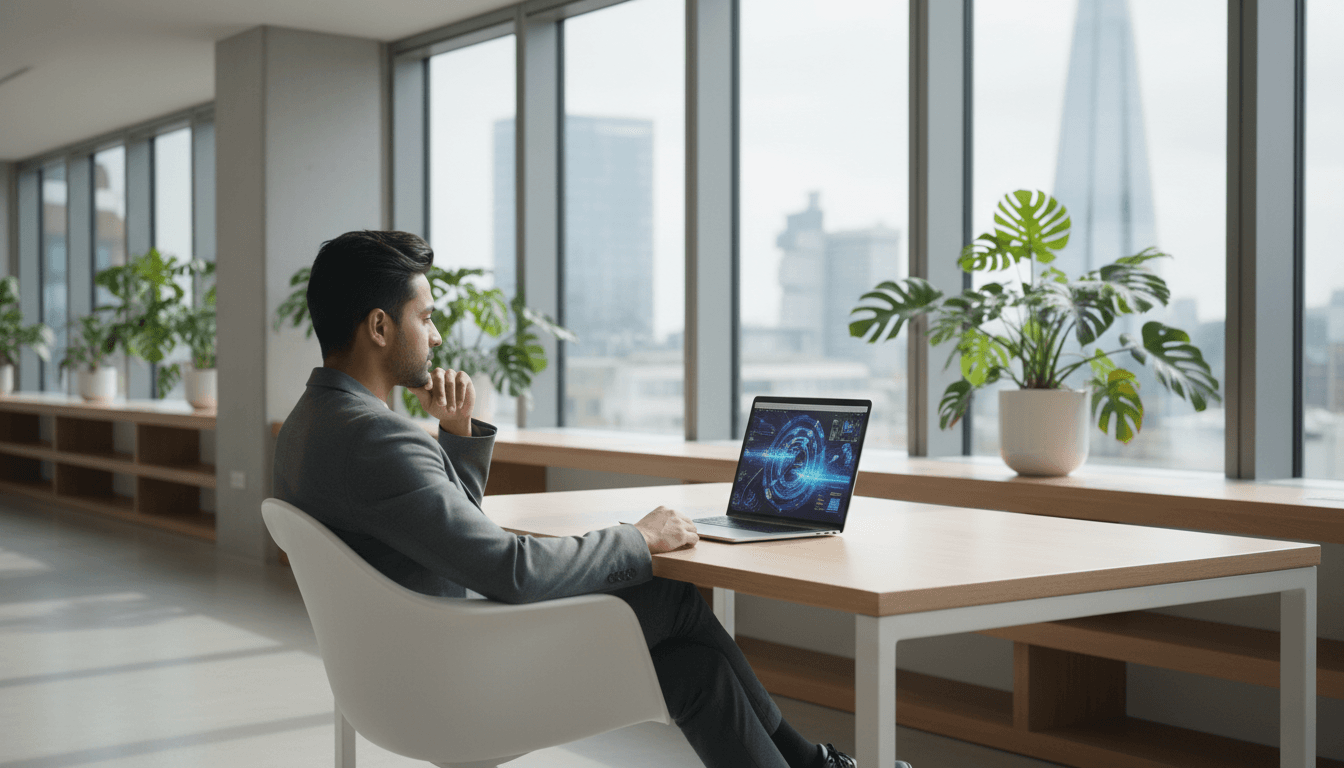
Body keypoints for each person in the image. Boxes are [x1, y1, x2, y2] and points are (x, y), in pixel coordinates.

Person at [274, 230, 910, 768]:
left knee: (696, 673)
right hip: (456, 678)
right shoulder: (376, 439)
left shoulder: (311, 422)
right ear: (380, 326)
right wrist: (640, 538)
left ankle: (813, 765)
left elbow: (435, 535)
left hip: (391, 671)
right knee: (670, 596)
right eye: (427, 316)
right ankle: (815, 764)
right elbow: (509, 570)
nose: (436, 336)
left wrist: (457, 438)